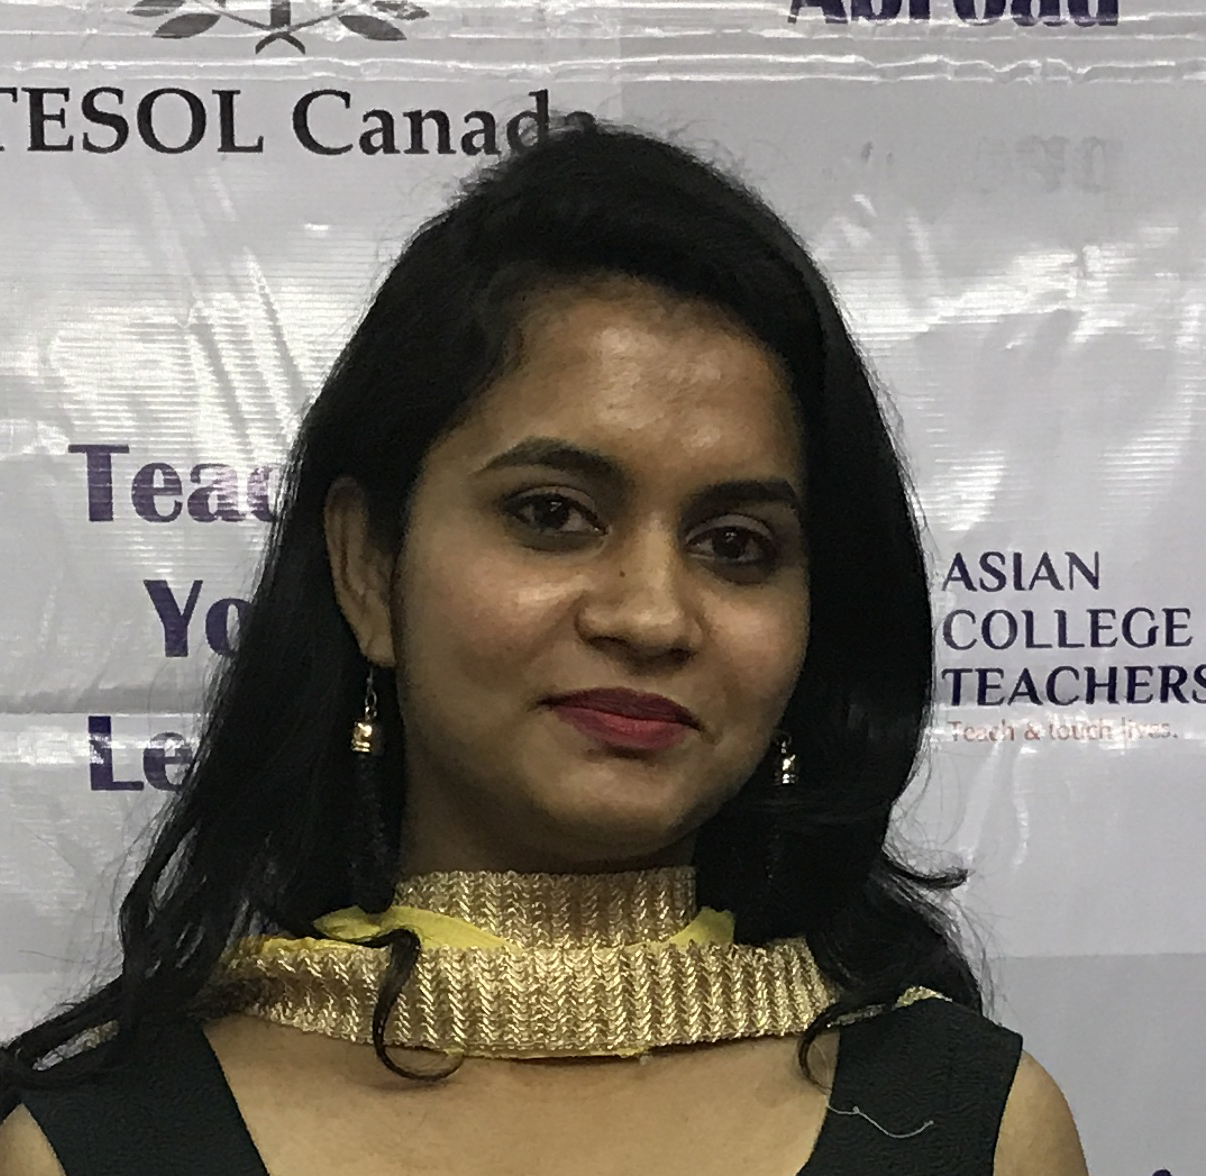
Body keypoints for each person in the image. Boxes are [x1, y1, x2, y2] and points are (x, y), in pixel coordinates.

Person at [0, 119, 1087, 1175]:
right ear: (369, 567)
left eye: (736, 544)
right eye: (554, 515)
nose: (651, 616)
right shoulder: (99, 1149)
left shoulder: (970, 1130)